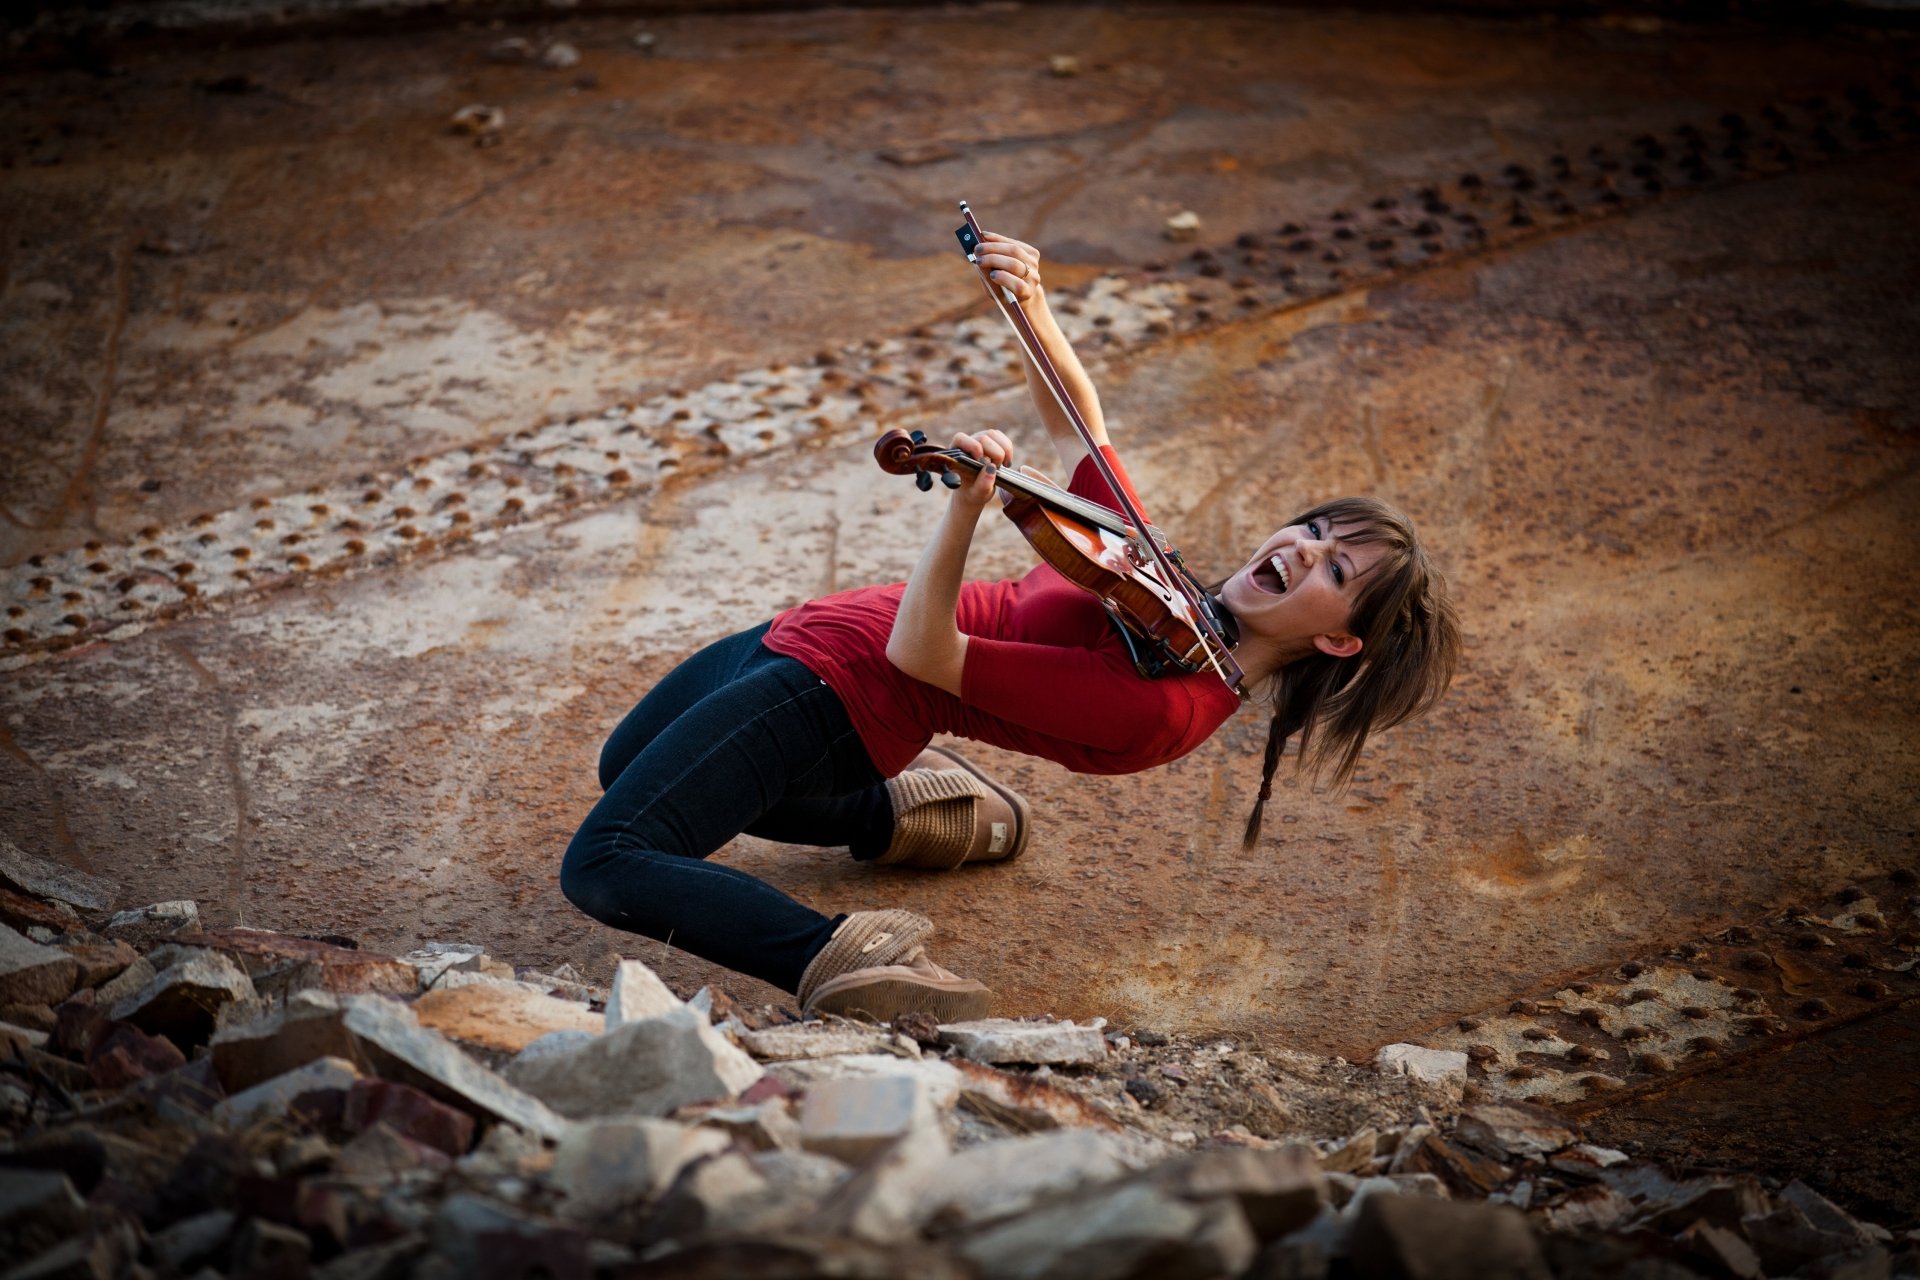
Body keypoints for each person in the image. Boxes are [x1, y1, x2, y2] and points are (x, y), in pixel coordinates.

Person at [561, 232, 1459, 1021]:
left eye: (1336, 570)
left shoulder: (1165, 709)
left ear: (1342, 640)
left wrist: (964, 511)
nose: (1302, 551)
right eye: (1312, 530)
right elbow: (1078, 423)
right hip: (804, 638)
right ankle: (906, 815)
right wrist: (1029, 304)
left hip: (845, 699)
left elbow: (923, 653)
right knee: (622, 769)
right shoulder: (1161, 576)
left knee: (608, 860)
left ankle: (840, 956)